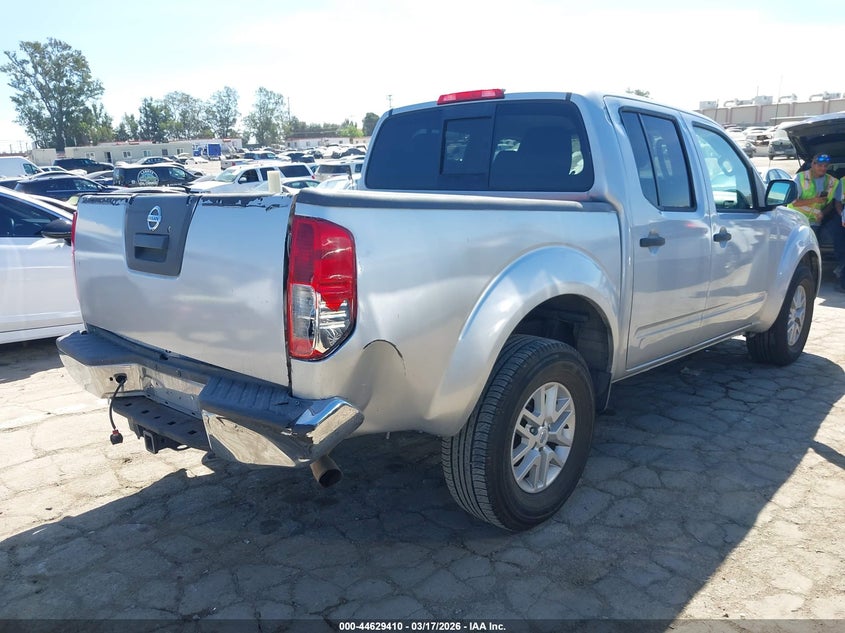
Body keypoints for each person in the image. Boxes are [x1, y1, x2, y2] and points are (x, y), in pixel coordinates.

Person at [789, 153, 845, 290]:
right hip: (796, 220)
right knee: (798, 252)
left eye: (825, 166)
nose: (823, 168)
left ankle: (816, 277)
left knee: (815, 248)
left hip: (816, 221)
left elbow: (833, 203)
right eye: (820, 165)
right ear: (812, 164)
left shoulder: (833, 182)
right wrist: (815, 200)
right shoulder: (800, 178)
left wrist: (824, 213)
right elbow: (793, 202)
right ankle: (797, 280)